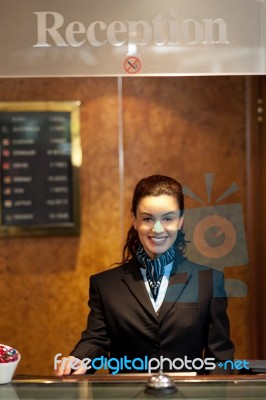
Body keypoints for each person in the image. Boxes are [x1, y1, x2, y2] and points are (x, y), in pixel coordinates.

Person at [55, 175, 234, 376]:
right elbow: (96, 340)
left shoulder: (209, 281)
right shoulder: (105, 285)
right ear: (134, 220)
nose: (157, 229)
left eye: (168, 218)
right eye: (148, 218)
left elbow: (221, 360)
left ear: (180, 221)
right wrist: (79, 359)